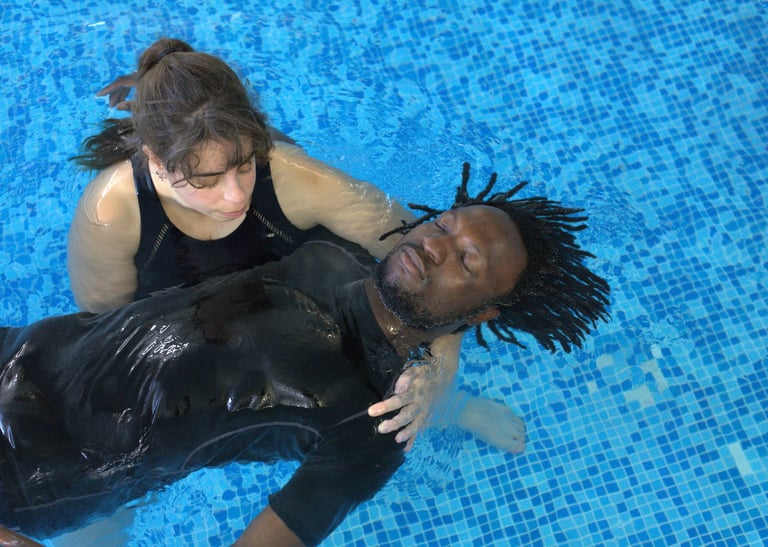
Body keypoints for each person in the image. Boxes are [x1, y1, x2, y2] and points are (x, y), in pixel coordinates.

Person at [1, 167, 609, 546]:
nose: (433, 246)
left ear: (482, 316)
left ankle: (457, 409)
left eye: (467, 261)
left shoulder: (374, 428)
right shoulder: (334, 250)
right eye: (444, 225)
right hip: (18, 352)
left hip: (28, 475)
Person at [68, 37, 463, 447]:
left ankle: (462, 412)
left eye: (244, 165)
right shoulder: (112, 212)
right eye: (207, 180)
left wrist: (440, 371)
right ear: (155, 161)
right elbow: (104, 338)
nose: (236, 196)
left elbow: (431, 261)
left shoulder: (295, 178)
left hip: (297, 298)